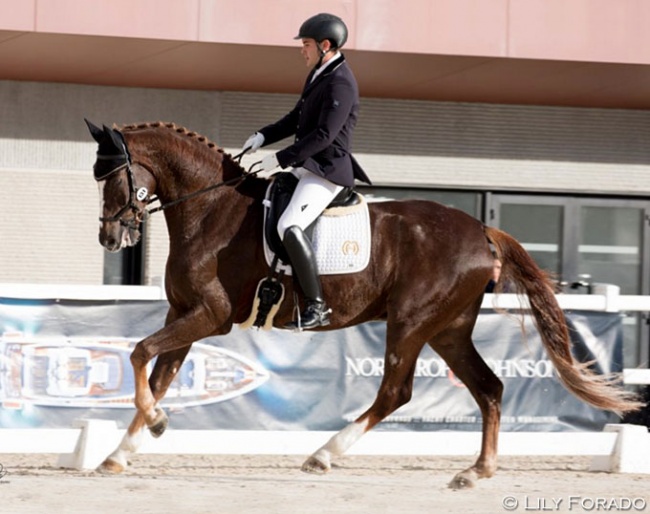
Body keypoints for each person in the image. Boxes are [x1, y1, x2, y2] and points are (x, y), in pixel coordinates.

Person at [241, 13, 371, 330]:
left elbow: (324, 136)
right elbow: (296, 118)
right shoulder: (320, 73)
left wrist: (280, 158)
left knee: (290, 223)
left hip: (327, 171)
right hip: (307, 166)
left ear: (325, 45)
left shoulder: (341, 82)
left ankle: (317, 306)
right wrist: (263, 135)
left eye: (306, 44)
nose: (302, 50)